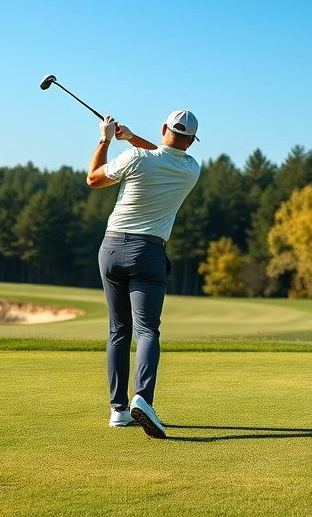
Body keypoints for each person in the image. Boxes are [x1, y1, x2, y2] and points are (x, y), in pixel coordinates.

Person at [85, 110, 201, 439]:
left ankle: (118, 411)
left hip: (111, 248)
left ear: (164, 128)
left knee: (118, 331)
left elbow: (93, 178)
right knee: (147, 331)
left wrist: (106, 138)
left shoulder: (136, 158)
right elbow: (165, 155)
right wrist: (131, 136)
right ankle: (143, 399)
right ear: (191, 141)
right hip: (149, 253)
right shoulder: (192, 169)